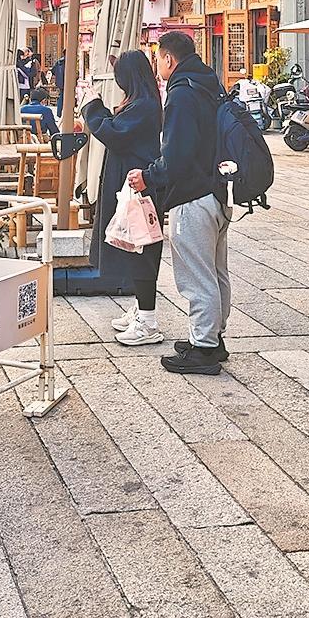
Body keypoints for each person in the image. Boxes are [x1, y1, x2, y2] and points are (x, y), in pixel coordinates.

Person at [128, 31, 228, 376]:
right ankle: (213, 337)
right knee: (215, 271)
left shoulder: (182, 93)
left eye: (158, 58)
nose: (157, 64)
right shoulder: (208, 83)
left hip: (193, 195)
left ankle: (204, 349)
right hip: (218, 191)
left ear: (168, 59)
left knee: (197, 276)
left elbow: (177, 154)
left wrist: (149, 176)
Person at [81, 51, 163, 345]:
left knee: (141, 249)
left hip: (138, 188)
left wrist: (92, 105)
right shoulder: (143, 102)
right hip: (132, 186)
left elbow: (113, 133)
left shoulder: (144, 105)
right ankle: (141, 309)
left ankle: (148, 321)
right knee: (134, 248)